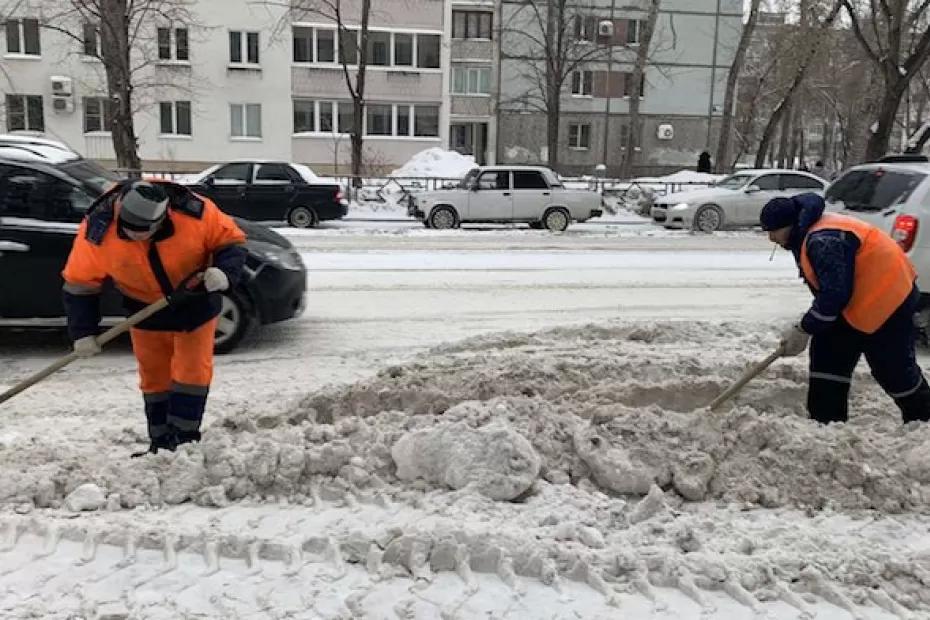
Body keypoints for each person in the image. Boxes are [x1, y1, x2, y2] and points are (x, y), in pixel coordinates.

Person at [61, 180, 247, 455]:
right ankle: (160, 443)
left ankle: (184, 443)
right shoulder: (98, 231)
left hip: (194, 303)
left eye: (144, 230)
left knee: (191, 375)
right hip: (144, 310)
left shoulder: (193, 212)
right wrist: (82, 333)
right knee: (154, 379)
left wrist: (224, 273)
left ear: (163, 217)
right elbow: (80, 283)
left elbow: (230, 241)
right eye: (128, 229)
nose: (136, 236)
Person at [760, 192, 930, 425]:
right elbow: (831, 293)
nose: (771, 238)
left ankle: (923, 420)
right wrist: (813, 325)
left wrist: (803, 328)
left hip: (890, 300)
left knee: (893, 370)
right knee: (827, 355)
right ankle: (826, 425)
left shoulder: (823, 241)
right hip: (855, 302)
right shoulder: (805, 232)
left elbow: (834, 294)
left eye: (773, 231)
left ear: (789, 225)